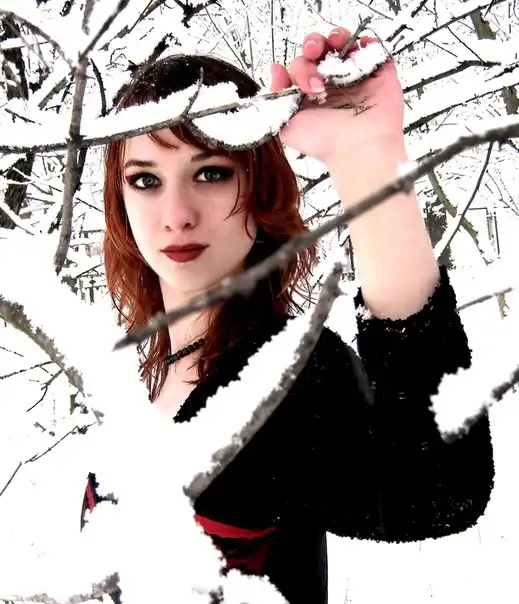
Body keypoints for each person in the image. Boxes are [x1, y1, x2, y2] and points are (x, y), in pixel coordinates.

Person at [81, 26, 494, 604]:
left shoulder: (289, 373)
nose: (176, 214)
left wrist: (366, 158)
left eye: (211, 172)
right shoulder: (146, 373)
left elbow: (437, 487)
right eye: (145, 180)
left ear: (261, 188)